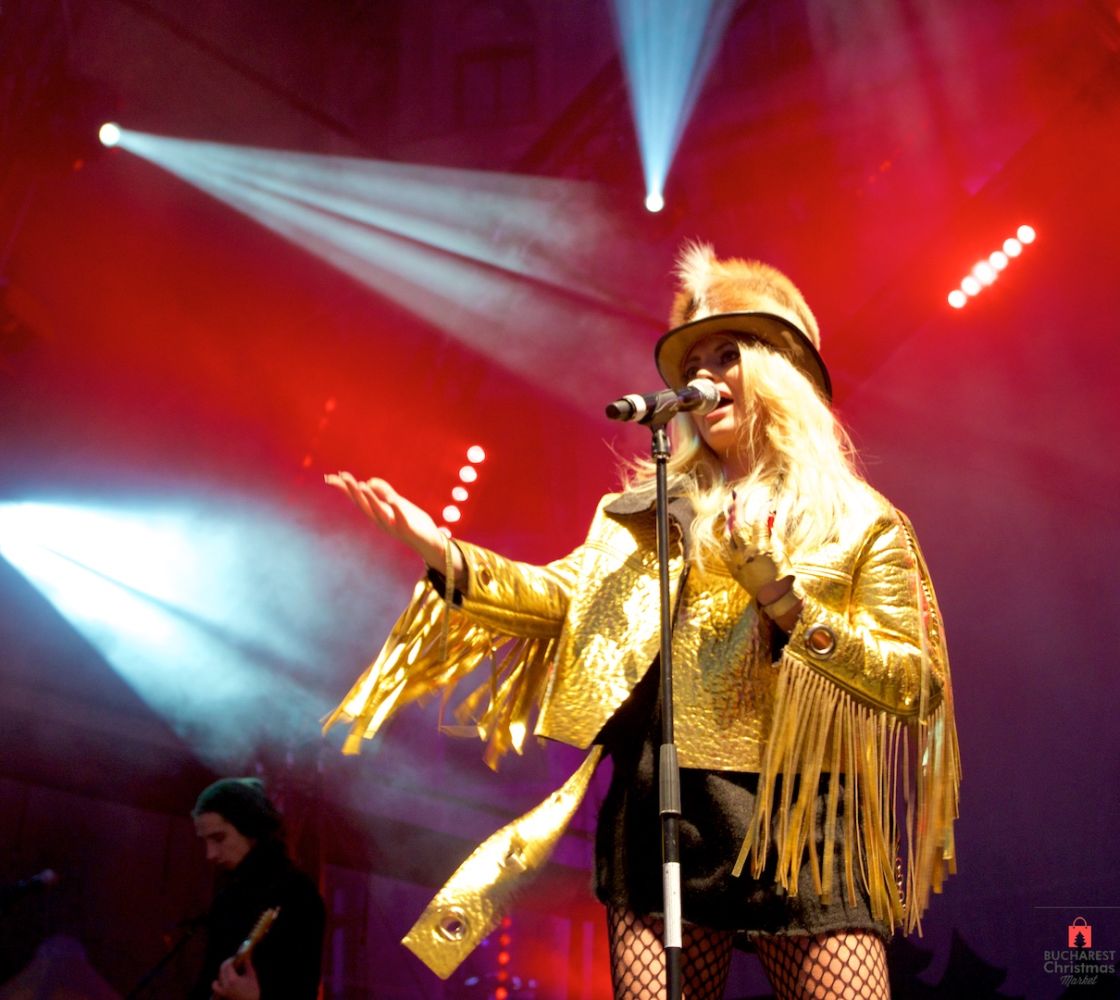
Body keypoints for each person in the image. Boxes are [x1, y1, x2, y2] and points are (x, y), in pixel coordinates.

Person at [324, 243, 959, 999]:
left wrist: (789, 605)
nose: (703, 378)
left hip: (799, 812)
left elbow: (915, 684)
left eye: (726, 355)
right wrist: (449, 555)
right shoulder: (647, 514)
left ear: (780, 368)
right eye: (693, 363)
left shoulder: (859, 521)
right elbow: (560, 599)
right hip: (665, 802)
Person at [190, 778, 325, 1000]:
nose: (210, 854)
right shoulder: (226, 897)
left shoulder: (298, 893)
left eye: (219, 838)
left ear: (250, 829)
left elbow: (302, 989)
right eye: (205, 841)